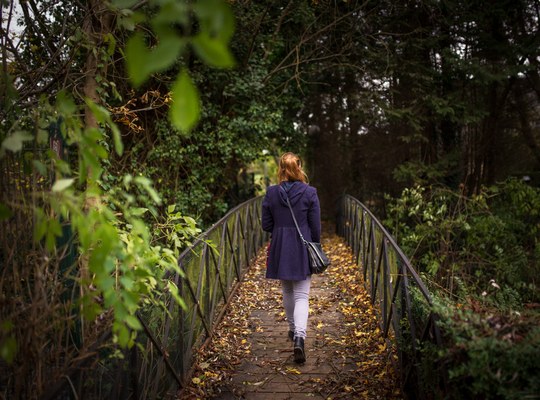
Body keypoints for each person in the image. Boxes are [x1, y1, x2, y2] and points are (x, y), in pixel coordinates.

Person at [261, 152, 321, 364]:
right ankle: (300, 339)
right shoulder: (310, 192)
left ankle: (293, 328)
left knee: (287, 290)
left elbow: (266, 225)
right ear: (299, 168)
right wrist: (316, 245)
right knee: (302, 295)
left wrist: (280, 225)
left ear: (281, 169)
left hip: (280, 245)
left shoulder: (271, 193)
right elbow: (315, 226)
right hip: (302, 244)